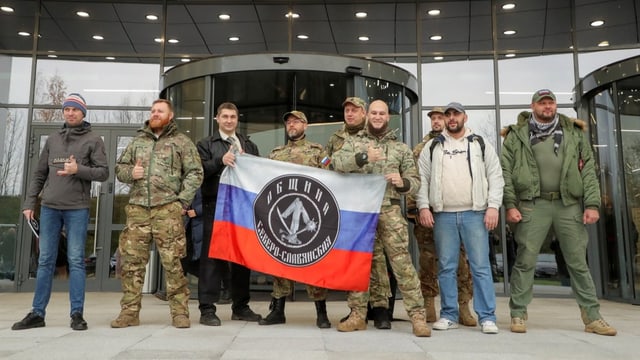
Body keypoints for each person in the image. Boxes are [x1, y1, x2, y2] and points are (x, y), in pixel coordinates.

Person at [501, 89, 617, 336]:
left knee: (577, 263)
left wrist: (593, 205)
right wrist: (510, 204)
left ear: (555, 105)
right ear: (533, 106)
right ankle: (518, 313)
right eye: (542, 103)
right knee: (525, 261)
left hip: (568, 204)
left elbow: (588, 171)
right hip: (533, 205)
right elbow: (506, 173)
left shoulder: (574, 133)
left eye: (551, 102)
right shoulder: (517, 136)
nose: (547, 107)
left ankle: (592, 317)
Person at [332, 99, 431, 337]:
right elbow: (336, 163)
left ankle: (418, 317)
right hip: (362, 212)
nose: (377, 116)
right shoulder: (354, 142)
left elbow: (416, 183)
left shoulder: (401, 148)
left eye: (382, 113)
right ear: (367, 115)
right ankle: (357, 314)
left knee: (403, 265)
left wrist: (402, 182)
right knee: (359, 264)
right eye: (374, 113)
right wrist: (363, 157)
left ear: (388, 117)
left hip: (390, 211)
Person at [13, 93, 109, 331]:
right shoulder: (53, 139)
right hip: (49, 209)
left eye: (75, 110)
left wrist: (78, 169)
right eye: (67, 109)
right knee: (45, 261)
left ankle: (77, 314)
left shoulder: (94, 139)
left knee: (76, 260)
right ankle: (37, 313)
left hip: (77, 208)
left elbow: (103, 173)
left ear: (83, 113)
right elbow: (39, 174)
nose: (70, 113)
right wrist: (28, 203)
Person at [110, 98, 203, 329]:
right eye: (153, 111)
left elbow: (195, 172)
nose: (155, 114)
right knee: (132, 264)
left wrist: (181, 201)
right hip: (138, 210)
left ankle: (180, 313)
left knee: (173, 264)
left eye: (160, 111)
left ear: (170, 116)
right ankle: (129, 313)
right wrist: (132, 172)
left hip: (167, 211)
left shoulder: (182, 142)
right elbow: (119, 169)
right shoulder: (138, 141)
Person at [416, 102, 503, 334]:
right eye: (448, 115)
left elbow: (495, 176)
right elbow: (421, 178)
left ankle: (487, 317)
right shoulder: (433, 146)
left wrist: (493, 207)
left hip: (475, 214)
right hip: (443, 215)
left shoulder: (480, 144)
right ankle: (448, 315)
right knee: (445, 266)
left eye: (456, 114)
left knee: (481, 267)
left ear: (465, 117)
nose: (452, 118)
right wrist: (424, 206)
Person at [259, 110, 332, 328]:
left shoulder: (318, 152)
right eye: (288, 121)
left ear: (305, 125)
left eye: (296, 121)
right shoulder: (275, 154)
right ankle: (278, 311)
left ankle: (321, 312)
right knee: (280, 262)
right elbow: (263, 179)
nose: (292, 124)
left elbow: (332, 177)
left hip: (311, 216)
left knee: (313, 264)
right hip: (283, 217)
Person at [328, 97, 395, 328]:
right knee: (356, 258)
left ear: (364, 113)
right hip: (351, 206)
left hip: (379, 205)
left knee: (378, 260)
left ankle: (381, 310)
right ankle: (357, 310)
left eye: (354, 110)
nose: (350, 114)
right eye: (346, 110)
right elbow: (330, 165)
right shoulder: (338, 139)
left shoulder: (380, 137)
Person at [407, 106, 476, 325]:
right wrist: (413, 208)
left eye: (440, 117)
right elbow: (414, 177)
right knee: (428, 260)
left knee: (460, 261)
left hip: (456, 211)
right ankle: (429, 305)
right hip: (427, 212)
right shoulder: (421, 147)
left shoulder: (461, 143)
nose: (437, 121)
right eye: (433, 118)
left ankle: (463, 306)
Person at [196, 102, 262, 326]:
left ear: (237, 119)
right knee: (212, 258)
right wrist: (219, 161)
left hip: (242, 208)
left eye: (232, 116)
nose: (228, 120)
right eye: (224, 116)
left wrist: (249, 162)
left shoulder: (248, 145)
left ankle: (241, 306)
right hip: (215, 206)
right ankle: (207, 308)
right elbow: (198, 172)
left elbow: (259, 174)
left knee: (242, 257)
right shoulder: (205, 144)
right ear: (217, 119)